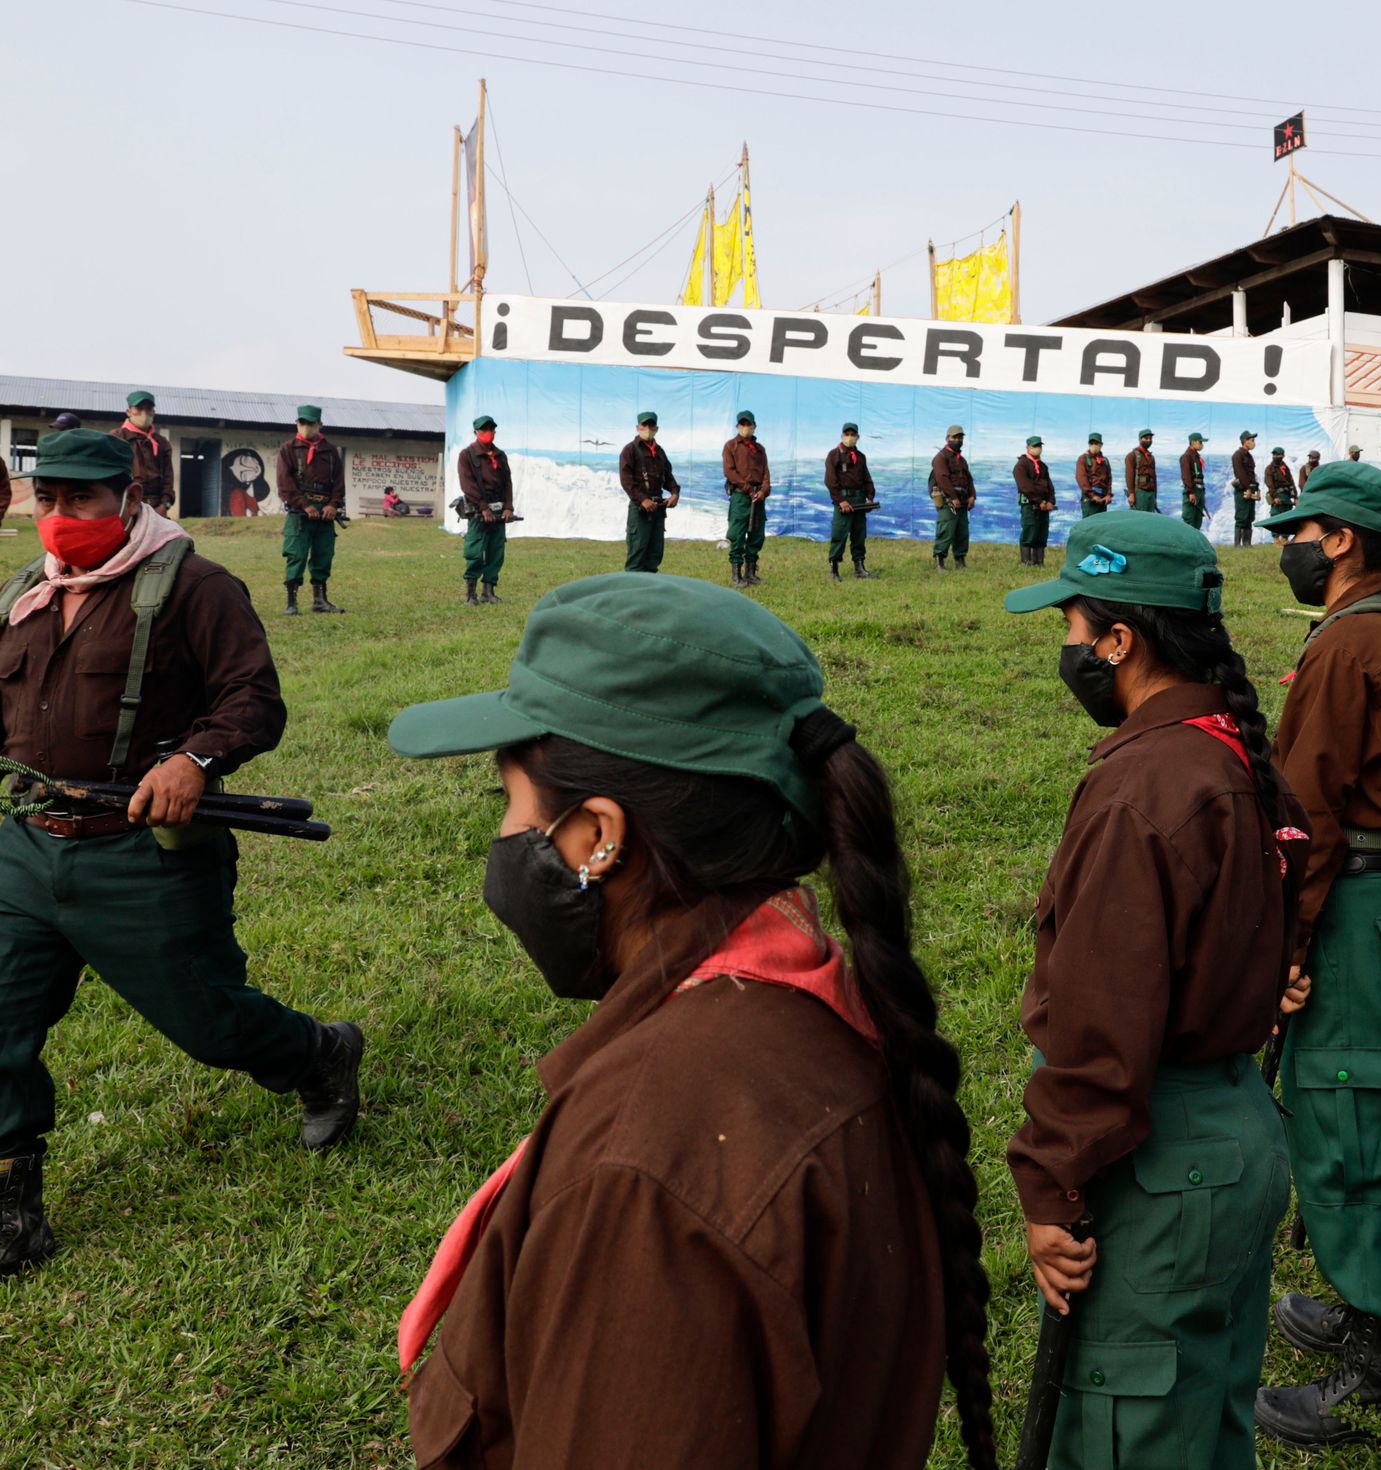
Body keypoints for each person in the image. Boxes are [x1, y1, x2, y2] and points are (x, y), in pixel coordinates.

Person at [386, 575, 996, 1470]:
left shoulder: (645, 1166)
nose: (505, 838)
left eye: (509, 805)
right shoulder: (802, 993)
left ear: (599, 836)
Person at [0, 429, 364, 1279]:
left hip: (140, 855)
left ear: (129, 498)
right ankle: (14, 1211)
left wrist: (192, 759)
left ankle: (319, 1054)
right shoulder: (26, 593)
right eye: (47, 501)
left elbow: (253, 701)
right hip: (26, 850)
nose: (61, 520)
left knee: (210, 1023)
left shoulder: (196, 586)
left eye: (81, 502)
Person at [1001, 514, 1299, 1470]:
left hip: (1162, 1155)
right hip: (1235, 1126)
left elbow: (1100, 1024)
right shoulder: (1228, 746)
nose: (1068, 648)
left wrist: (1049, 1187)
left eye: (1071, 627)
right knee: (1205, 1417)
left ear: (1119, 641)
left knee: (1128, 1436)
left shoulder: (1145, 788)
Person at [1252, 463, 1381, 1450]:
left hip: (1353, 918)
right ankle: (1372, 1305)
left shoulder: (1349, 643)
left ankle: (1378, 1375)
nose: (1283, 544)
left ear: (1338, 541)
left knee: (1356, 1131)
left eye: (1296, 530)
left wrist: (1281, 944)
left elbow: (1307, 817)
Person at [276, 405, 348, 616]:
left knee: (324, 555)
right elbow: (284, 483)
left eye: (311, 423)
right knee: (296, 554)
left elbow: (339, 483)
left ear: (320, 425)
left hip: (325, 511)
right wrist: (304, 505)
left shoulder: (331, 451)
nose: (306, 427)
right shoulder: (288, 449)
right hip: (300, 512)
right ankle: (291, 602)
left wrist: (333, 505)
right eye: (302, 422)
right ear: (297, 423)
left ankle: (320, 600)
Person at [457, 414, 514, 605]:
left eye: (491, 429)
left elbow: (507, 483)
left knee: (496, 551)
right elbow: (467, 485)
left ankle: (488, 592)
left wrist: (508, 507)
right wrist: (483, 507)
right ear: (476, 432)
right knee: (474, 551)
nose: (488, 433)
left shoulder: (500, 455)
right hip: (478, 511)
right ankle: (471, 595)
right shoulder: (467, 455)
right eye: (484, 430)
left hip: (498, 511)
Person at [618, 411, 679, 574]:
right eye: (644, 425)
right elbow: (626, 480)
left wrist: (674, 493)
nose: (648, 428)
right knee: (636, 557)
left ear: (656, 428)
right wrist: (643, 500)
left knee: (654, 555)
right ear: (638, 427)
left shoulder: (660, 452)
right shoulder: (629, 450)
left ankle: (650, 596)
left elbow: (668, 477)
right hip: (640, 509)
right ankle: (632, 595)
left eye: (651, 425)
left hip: (658, 508)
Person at [722, 409, 770, 589]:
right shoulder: (730, 446)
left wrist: (764, 490)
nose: (745, 427)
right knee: (737, 533)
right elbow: (729, 471)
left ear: (754, 426)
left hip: (758, 497)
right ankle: (736, 574)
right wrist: (748, 489)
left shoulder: (760, 449)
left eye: (748, 424)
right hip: (741, 496)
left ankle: (751, 572)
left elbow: (766, 472)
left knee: (757, 534)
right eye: (742, 424)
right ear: (737, 426)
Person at [825, 422, 877, 582]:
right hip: (844, 500)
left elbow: (867, 479)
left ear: (858, 437)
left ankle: (859, 567)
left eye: (853, 435)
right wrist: (840, 501)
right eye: (847, 434)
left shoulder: (860, 457)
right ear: (842, 436)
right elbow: (830, 481)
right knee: (839, 534)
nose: (850, 437)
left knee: (859, 534)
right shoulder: (834, 455)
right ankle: (834, 569)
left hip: (859, 500)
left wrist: (870, 497)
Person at [111, 390, 174, 514]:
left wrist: (164, 506)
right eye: (138, 408)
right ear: (128, 412)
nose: (144, 413)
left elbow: (168, 480)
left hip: (157, 507)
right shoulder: (116, 438)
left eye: (148, 409)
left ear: (153, 412)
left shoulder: (162, 443)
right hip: (127, 505)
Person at [930, 425, 975, 572]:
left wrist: (972, 496)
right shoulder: (940, 458)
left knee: (962, 532)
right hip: (948, 501)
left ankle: (960, 561)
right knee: (946, 530)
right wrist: (953, 497)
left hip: (962, 501)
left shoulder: (961, 460)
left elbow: (969, 480)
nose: (957, 440)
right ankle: (939, 562)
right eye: (954, 437)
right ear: (947, 438)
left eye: (960, 438)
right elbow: (943, 479)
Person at [1014, 436, 1055, 566]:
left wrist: (1050, 501)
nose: (1037, 449)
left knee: (1041, 532)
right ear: (1028, 447)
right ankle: (1026, 561)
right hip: (1030, 504)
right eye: (1034, 446)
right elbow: (1025, 487)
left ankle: (1039, 562)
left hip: (1044, 505)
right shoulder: (1021, 465)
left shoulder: (1043, 466)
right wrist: (1039, 501)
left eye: (1039, 446)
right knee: (1029, 531)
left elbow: (1049, 485)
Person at [1231, 430, 1261, 546]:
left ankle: (1247, 543)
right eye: (1252, 440)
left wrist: (1256, 488)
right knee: (1241, 517)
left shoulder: (1249, 456)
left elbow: (1251, 474)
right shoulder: (1237, 455)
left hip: (1251, 488)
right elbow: (1240, 473)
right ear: (1245, 441)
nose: (1254, 442)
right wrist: (1248, 488)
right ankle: (1237, 544)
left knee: (1249, 517)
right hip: (1243, 490)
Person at [1179, 432, 1208, 532]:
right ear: (1193, 442)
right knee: (1189, 519)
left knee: (1197, 519)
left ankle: (1196, 546)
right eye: (1200, 442)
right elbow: (1186, 476)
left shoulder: (1196, 457)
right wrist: (1190, 492)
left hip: (1199, 490)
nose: (1202, 444)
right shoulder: (1186, 457)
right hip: (1192, 491)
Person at [1124, 429, 1159, 513]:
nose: (1149, 440)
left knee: (1150, 518)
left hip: (1150, 492)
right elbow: (1129, 475)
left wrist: (1155, 497)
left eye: (1150, 438)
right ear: (1140, 439)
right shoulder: (1132, 456)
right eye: (1146, 438)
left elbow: (1154, 477)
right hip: (1139, 492)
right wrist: (1131, 493)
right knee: (1139, 517)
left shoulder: (1151, 457)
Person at [1265, 445, 1297, 518]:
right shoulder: (1269, 469)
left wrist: (1295, 497)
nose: (1276, 456)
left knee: (1288, 520)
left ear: (1283, 456)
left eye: (1278, 454)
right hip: (1277, 497)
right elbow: (1270, 484)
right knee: (1275, 518)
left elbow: (1291, 483)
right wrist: (1275, 496)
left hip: (1287, 498)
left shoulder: (1285, 468)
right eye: (1274, 454)